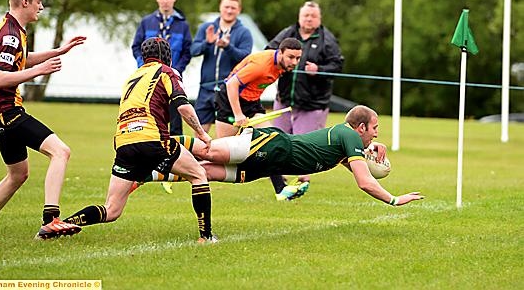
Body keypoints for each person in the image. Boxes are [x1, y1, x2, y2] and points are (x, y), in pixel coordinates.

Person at [63, 37, 217, 244]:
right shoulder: (166, 71)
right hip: (151, 139)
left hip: (124, 143)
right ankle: (206, 237)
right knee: (199, 174)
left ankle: (61, 223)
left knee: (112, 209)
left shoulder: (131, 77)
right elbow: (183, 106)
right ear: (167, 56)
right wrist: (202, 133)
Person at [0, 0, 86, 241]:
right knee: (60, 151)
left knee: (18, 174)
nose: (41, 7)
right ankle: (51, 221)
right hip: (5, 111)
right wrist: (38, 71)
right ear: (25, 2)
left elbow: (20, 59)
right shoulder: (11, 35)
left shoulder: (13, 29)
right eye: (38, 2)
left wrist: (59, 51)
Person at [135, 105, 425, 206]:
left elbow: (364, 169)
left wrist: (373, 152)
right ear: (360, 127)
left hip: (267, 164)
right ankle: (151, 139)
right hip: (271, 145)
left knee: (204, 172)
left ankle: (142, 176)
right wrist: (395, 199)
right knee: (207, 149)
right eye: (374, 129)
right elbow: (365, 182)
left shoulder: (348, 147)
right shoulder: (349, 134)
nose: (376, 133)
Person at [266, 1, 344, 197]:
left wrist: (319, 70)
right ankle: (280, 183)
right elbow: (269, 52)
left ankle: (303, 183)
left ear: (319, 19)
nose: (309, 19)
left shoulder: (327, 40)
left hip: (312, 104)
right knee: (277, 141)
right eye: (306, 15)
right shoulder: (287, 33)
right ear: (300, 17)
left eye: (313, 16)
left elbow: (337, 65)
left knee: (303, 146)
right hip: (284, 99)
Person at [131, 0, 192, 138]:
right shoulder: (147, 22)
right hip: (148, 78)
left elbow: (187, 51)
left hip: (173, 77)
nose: (165, 1)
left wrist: (176, 70)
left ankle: (177, 156)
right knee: (150, 113)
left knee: (176, 119)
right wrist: (144, 67)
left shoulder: (182, 24)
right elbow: (136, 47)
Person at [214, 37, 302, 138]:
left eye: (298, 58)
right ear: (280, 52)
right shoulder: (261, 65)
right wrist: (238, 114)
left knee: (270, 138)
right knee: (224, 147)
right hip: (230, 100)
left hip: (252, 103)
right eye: (290, 57)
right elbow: (231, 84)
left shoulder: (284, 64)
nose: (294, 62)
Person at [191, 0, 253, 133]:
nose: (229, 11)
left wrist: (228, 47)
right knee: (199, 135)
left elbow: (245, 58)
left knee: (225, 139)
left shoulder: (244, 33)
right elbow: (193, 51)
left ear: (239, 10)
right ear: (220, 7)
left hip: (228, 92)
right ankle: (199, 156)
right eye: (226, 7)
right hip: (205, 89)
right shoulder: (207, 28)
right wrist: (207, 43)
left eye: (233, 8)